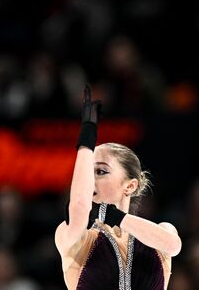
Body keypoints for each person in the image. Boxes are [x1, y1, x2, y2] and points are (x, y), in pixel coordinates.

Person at [54, 85, 182, 290]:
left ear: (130, 186)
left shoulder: (161, 232)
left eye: (101, 171)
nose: (90, 180)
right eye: (88, 172)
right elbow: (78, 206)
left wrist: (117, 217)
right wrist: (87, 136)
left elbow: (174, 246)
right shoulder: (74, 236)